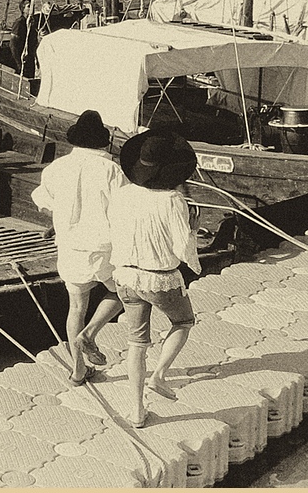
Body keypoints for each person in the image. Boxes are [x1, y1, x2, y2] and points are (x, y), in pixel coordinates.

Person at [110, 129, 201, 428]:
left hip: (124, 275)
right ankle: (159, 375)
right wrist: (194, 230)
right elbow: (181, 248)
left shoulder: (121, 195)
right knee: (183, 322)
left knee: (137, 343)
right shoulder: (173, 200)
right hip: (158, 278)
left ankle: (136, 412)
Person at [29, 110, 126, 384]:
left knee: (76, 308)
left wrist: (58, 220)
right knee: (126, 295)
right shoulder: (112, 170)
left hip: (70, 246)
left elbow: (44, 200)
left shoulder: (56, 168)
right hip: (103, 247)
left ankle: (78, 370)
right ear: (103, 143)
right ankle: (90, 334)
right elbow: (122, 209)